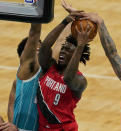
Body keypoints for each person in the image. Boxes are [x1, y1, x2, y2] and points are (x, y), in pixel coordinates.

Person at [36, 0, 93, 130]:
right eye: (63, 49)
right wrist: (66, 21)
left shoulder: (80, 80)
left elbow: (68, 78)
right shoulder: (49, 67)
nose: (62, 52)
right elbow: (45, 47)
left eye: (68, 50)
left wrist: (80, 45)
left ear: (76, 56)